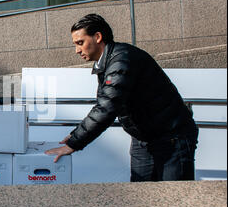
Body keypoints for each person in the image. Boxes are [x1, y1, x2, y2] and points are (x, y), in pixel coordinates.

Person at [45, 14, 198, 181]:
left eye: (80, 43)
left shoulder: (122, 59)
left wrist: (74, 142)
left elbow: (107, 108)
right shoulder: (107, 62)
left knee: (173, 198)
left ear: (97, 37)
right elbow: (104, 105)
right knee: (143, 196)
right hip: (144, 139)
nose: (77, 50)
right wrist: (76, 135)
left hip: (172, 137)